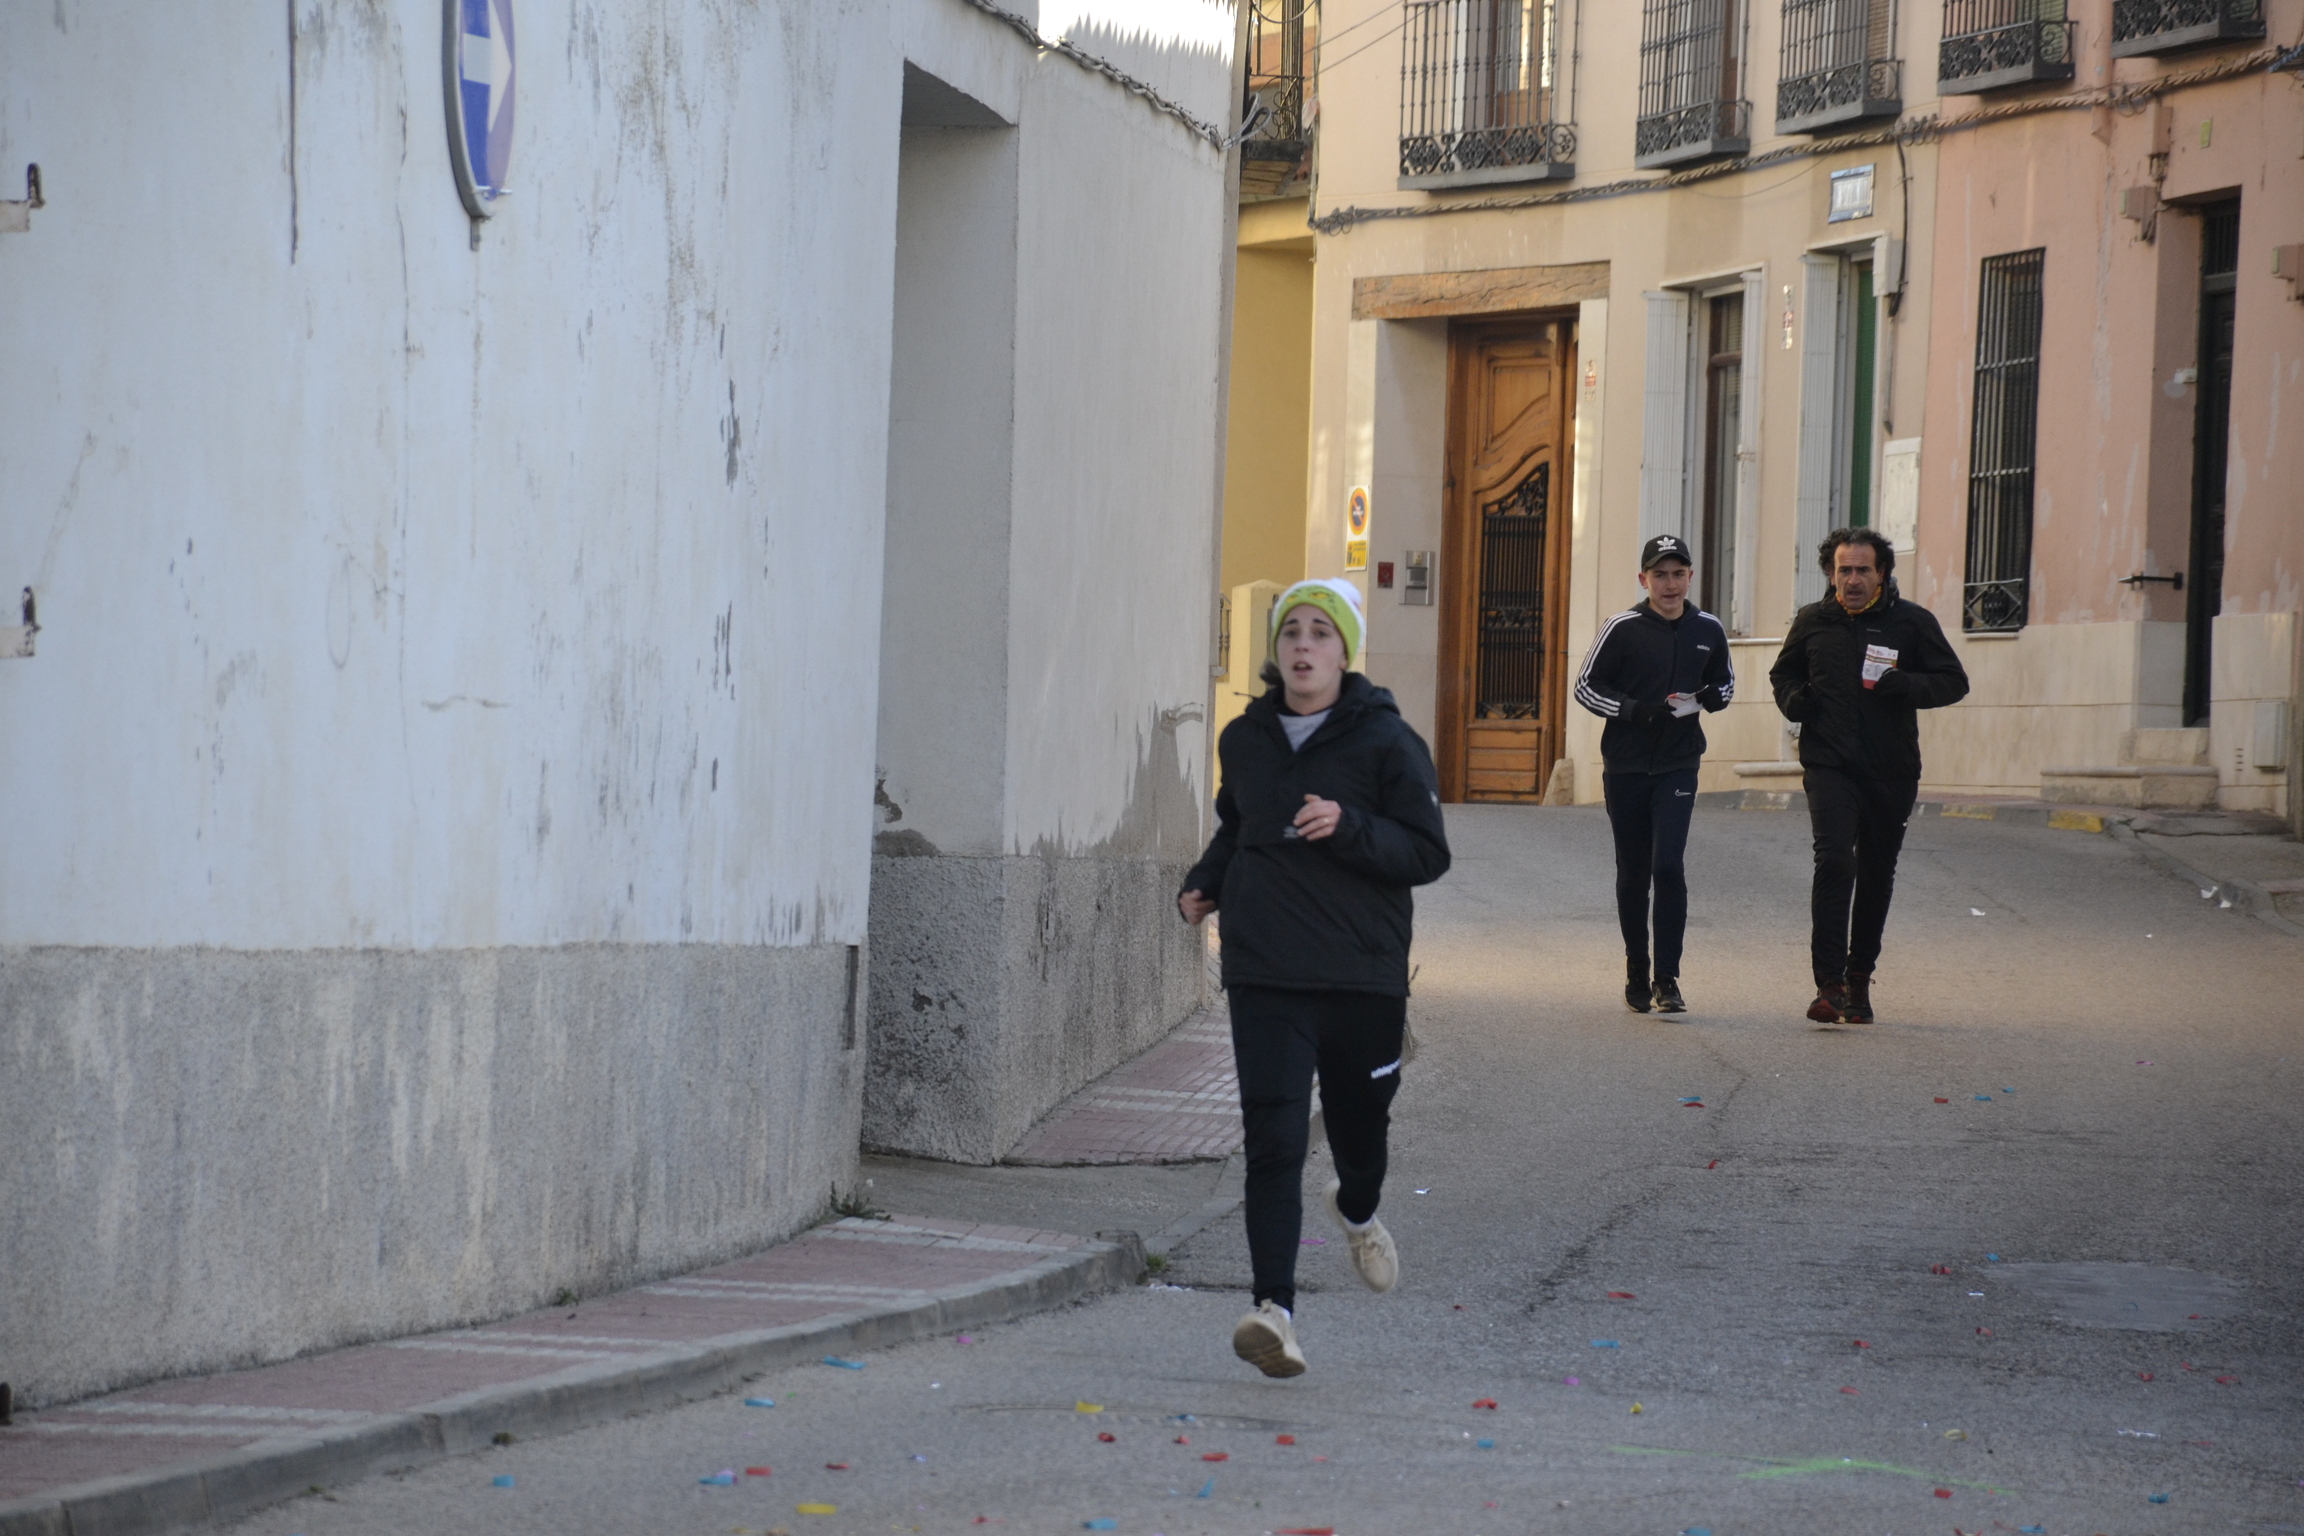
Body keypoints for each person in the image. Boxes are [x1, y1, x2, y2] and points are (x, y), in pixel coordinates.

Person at [1177, 578, 1451, 1378]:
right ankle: (1274, 1313)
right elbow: (1238, 826)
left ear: (1344, 652)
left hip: (1362, 975)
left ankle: (1357, 1209)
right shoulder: (1245, 739)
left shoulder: (1387, 742)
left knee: (1361, 1134)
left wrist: (1349, 824)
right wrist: (1206, 882)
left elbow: (1427, 852)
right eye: (1291, 631)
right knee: (1274, 1139)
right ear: (1277, 650)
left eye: (1320, 633)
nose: (1303, 645)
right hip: (1266, 969)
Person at [1769, 528, 1969, 1024]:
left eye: (1863, 570)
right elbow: (1783, 674)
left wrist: (1906, 685)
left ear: (1882, 574)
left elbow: (1953, 681)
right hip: (1829, 764)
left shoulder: (1911, 622)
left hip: (1890, 770)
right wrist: (1796, 701)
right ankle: (1829, 984)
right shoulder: (1812, 621)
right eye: (1844, 570)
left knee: (1876, 873)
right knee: (1835, 860)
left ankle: (1859, 978)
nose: (1853, 580)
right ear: (1830, 573)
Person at [1572, 534, 1736, 1015]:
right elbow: (1585, 687)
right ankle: (1636, 965)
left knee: (1668, 865)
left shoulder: (1708, 627)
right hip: (1625, 766)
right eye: (1660, 575)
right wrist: (1635, 711)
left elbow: (1725, 681)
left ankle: (1667, 977)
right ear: (1643, 580)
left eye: (1678, 574)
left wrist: (1713, 697)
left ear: (1690, 577)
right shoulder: (1621, 628)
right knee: (1633, 871)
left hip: (1678, 765)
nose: (1670, 584)